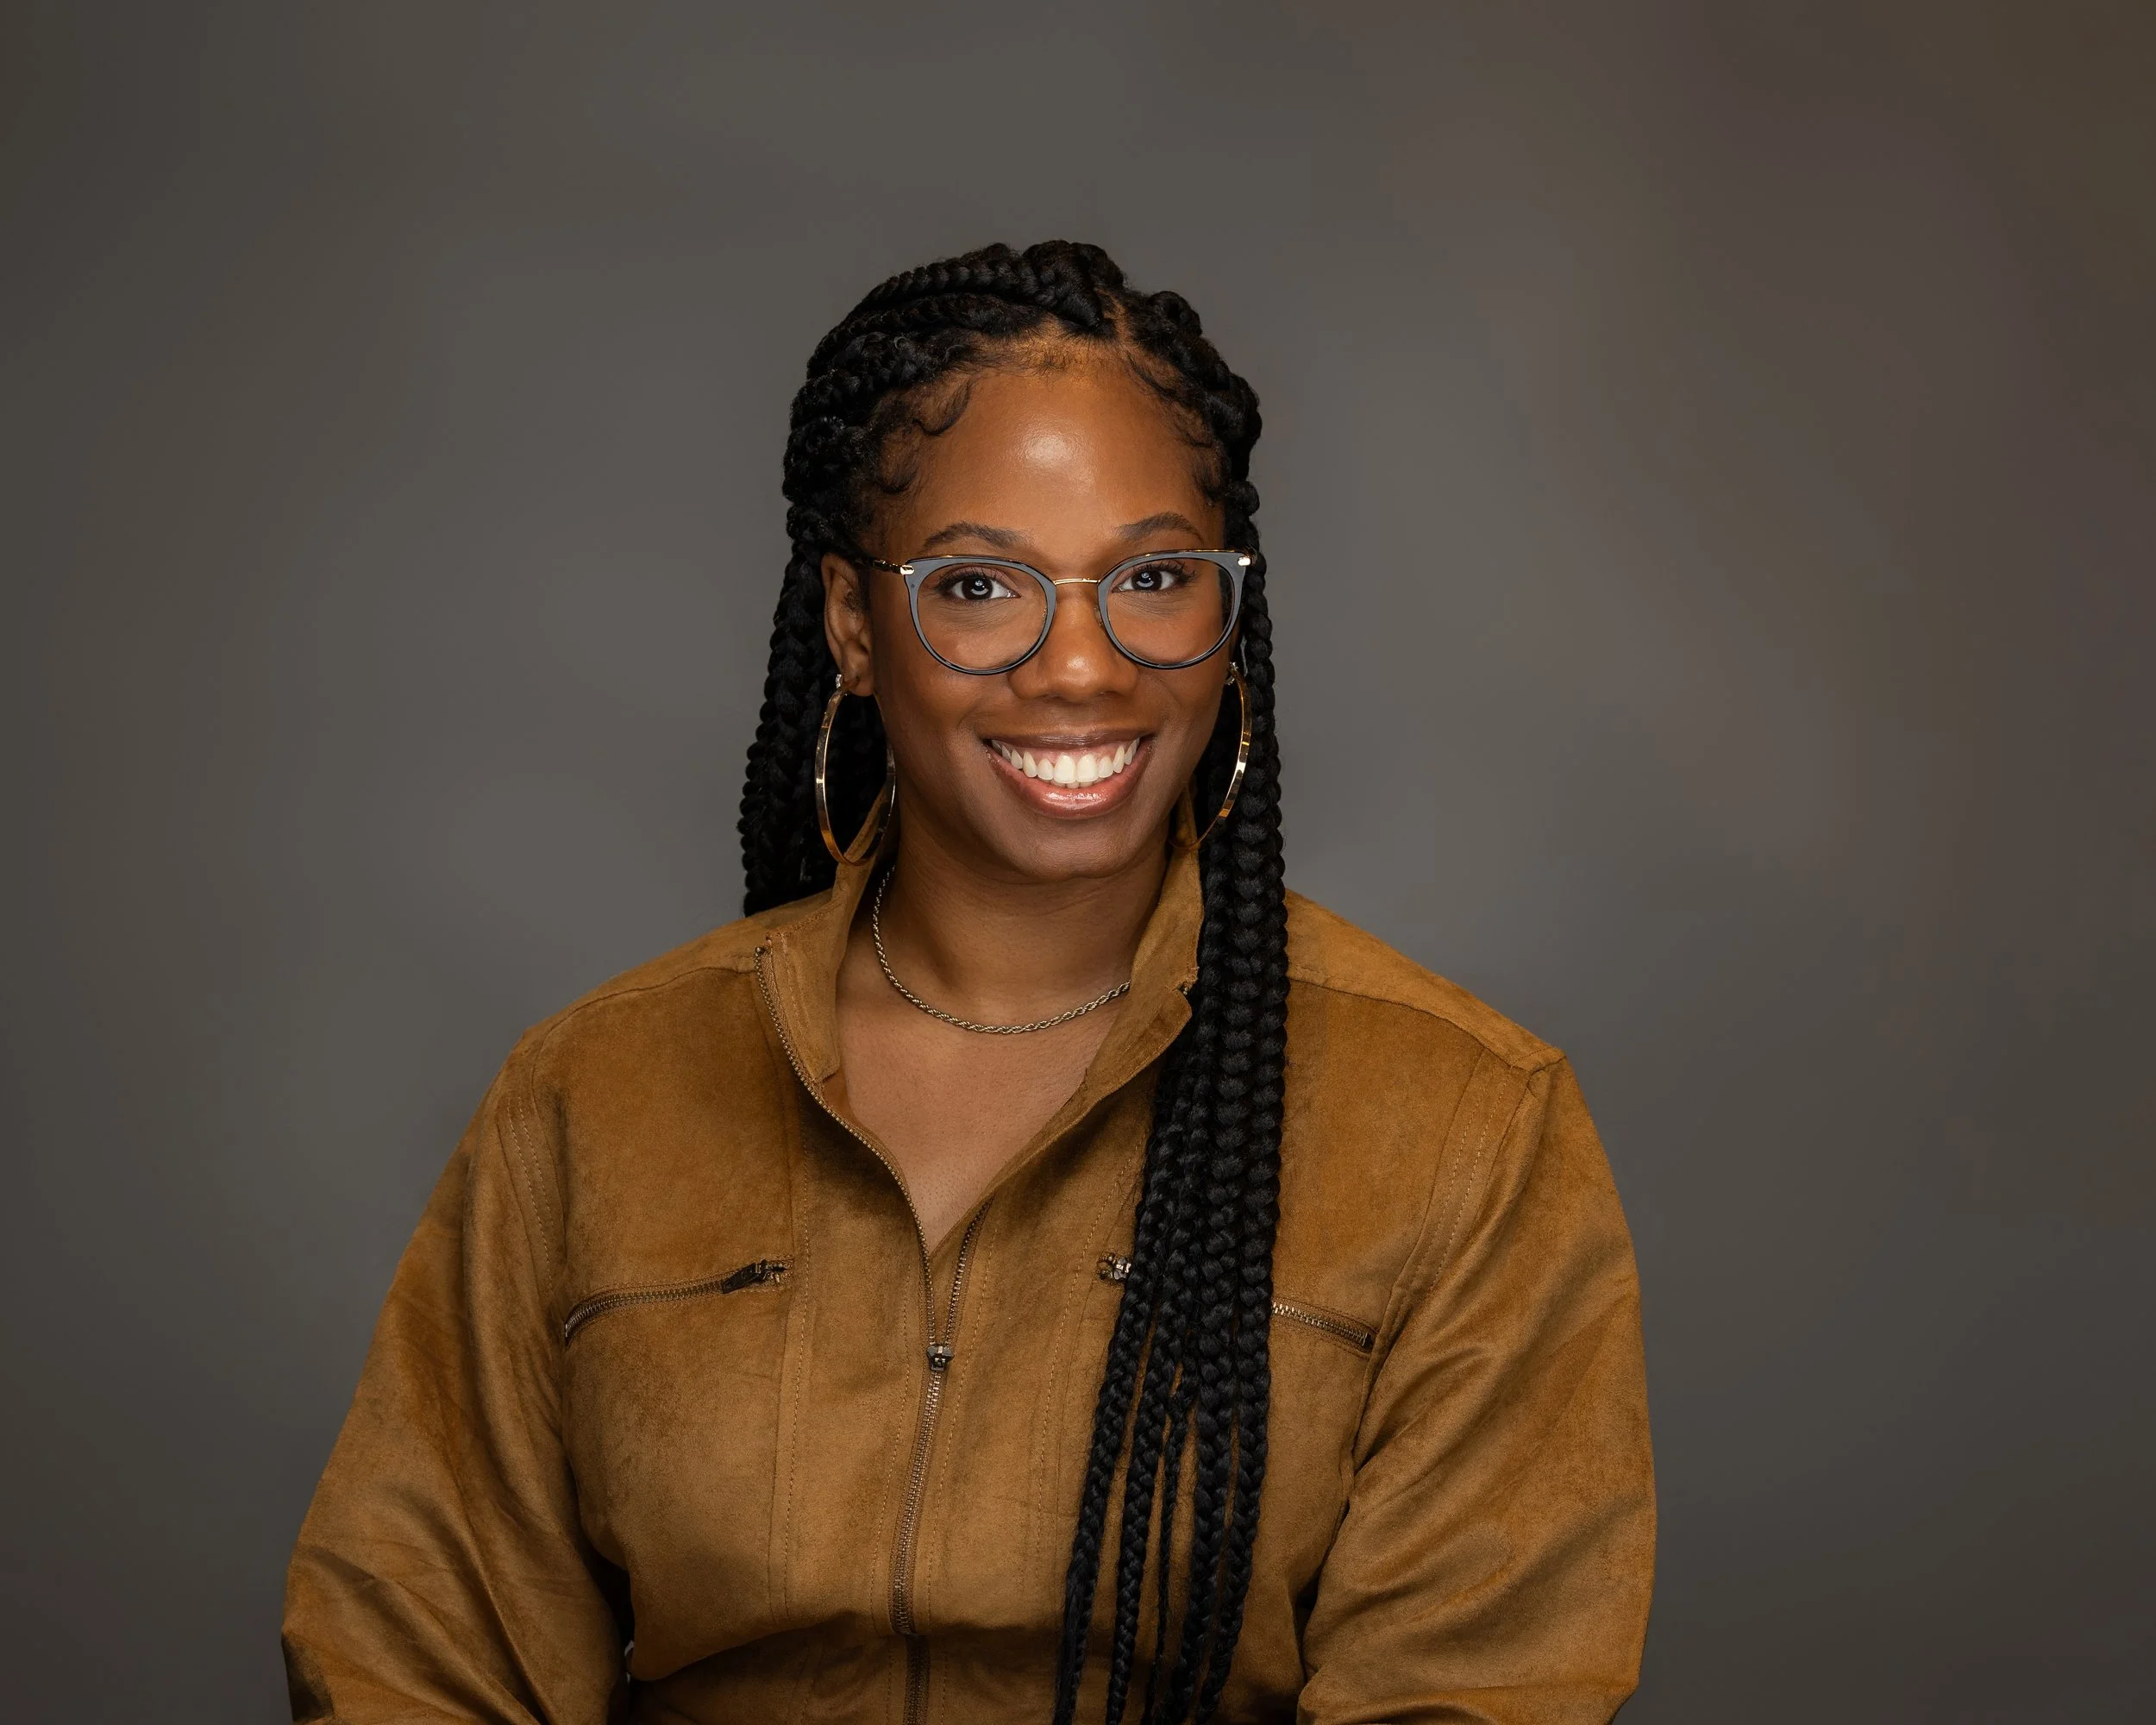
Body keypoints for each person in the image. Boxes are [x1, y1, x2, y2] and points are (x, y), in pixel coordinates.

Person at [282, 240, 1654, 1725]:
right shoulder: (594, 1094)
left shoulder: (1465, 1127)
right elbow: (414, 1658)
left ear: (1229, 615)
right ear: (855, 626)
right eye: (983, 584)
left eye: (1154, 577)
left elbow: (1478, 1693)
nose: (1083, 667)